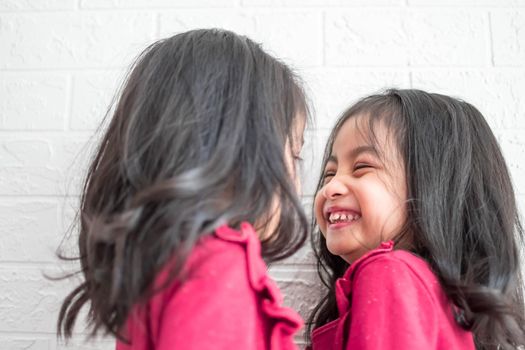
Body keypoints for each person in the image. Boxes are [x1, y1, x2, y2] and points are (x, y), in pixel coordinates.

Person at [57, 28, 310, 349]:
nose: (298, 180)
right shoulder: (217, 267)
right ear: (234, 148)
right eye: (295, 153)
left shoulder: (165, 267)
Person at [307, 89, 525, 349]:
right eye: (329, 173)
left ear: (434, 190)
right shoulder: (443, 299)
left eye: (361, 167)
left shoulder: (387, 272)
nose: (330, 188)